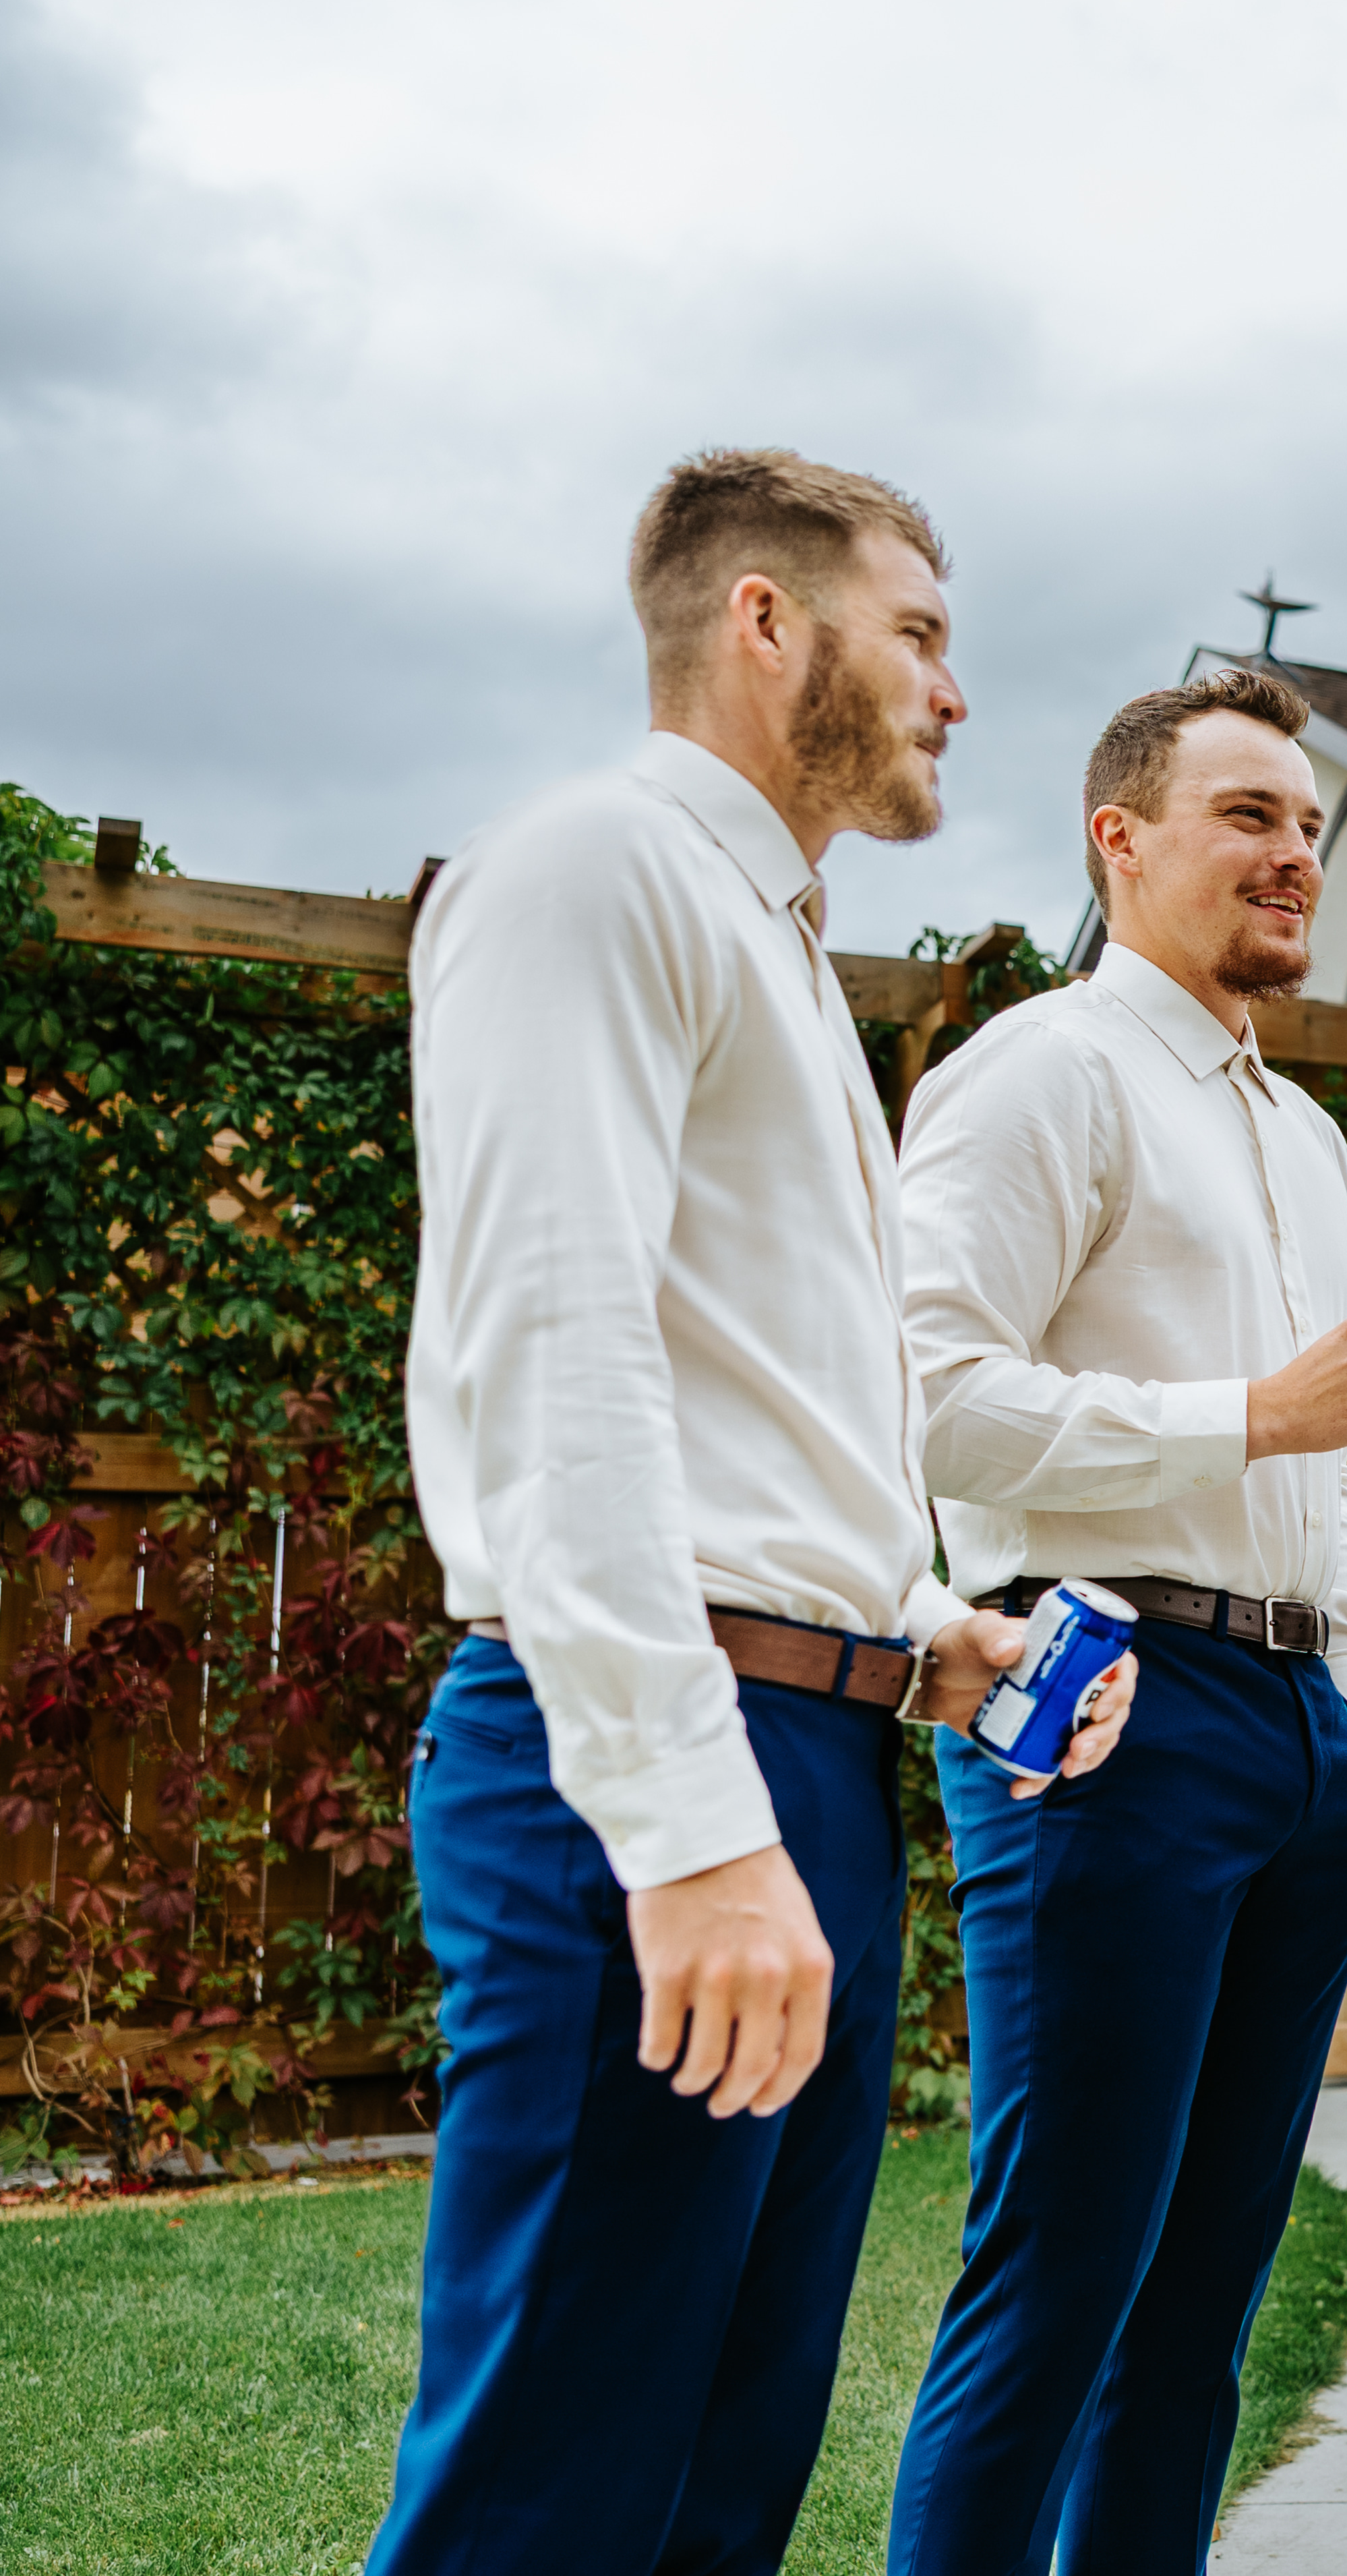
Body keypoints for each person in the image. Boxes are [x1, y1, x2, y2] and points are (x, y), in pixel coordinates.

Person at [380, 448, 1130, 2574]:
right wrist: (686, 1826)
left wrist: (922, 1627)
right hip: (640, 1764)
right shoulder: (592, 871)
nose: (957, 694)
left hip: (804, 1741)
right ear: (764, 624)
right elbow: (560, 1349)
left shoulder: (780, 948)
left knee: (715, 2490)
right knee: (549, 2490)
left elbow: (740, 1397)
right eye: (922, 635)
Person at [882, 665, 1347, 2571]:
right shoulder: (1039, 1072)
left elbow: (1328, 1461)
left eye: (1309, 826)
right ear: (1117, 838)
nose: (1293, 854)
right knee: (1057, 2281)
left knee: (1201, 2303)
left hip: (1302, 1741)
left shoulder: (1305, 1134)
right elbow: (924, 1397)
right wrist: (1254, 1414)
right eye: (1246, 815)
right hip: (1103, 1700)